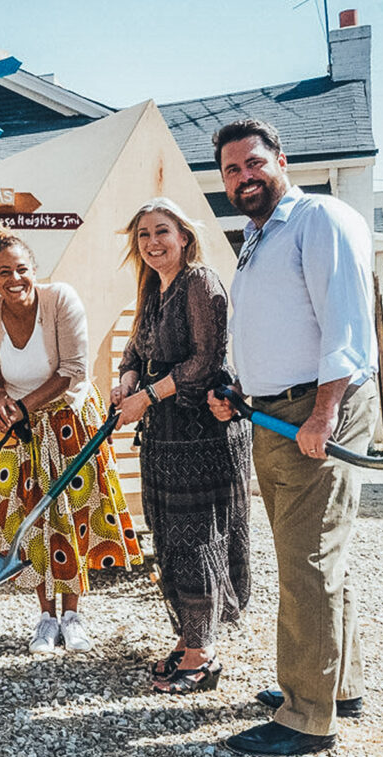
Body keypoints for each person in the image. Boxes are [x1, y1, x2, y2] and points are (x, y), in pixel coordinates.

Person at [208, 119, 377, 756]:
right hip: (273, 414)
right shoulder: (257, 237)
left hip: (312, 411)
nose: (243, 177)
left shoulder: (316, 219)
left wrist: (325, 411)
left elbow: (346, 326)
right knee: (315, 557)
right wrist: (241, 394)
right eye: (231, 170)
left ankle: (307, 716)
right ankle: (341, 685)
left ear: (280, 159)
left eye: (253, 163)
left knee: (307, 565)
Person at [0, 223, 141, 654]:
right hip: (22, 434)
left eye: (21, 269)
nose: (14, 279)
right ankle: (45, 618)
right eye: (3, 272)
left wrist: (22, 406)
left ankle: (73, 616)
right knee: (31, 522)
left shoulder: (60, 300)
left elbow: (73, 370)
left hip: (69, 422)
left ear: (35, 270)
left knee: (71, 517)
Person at [113, 198, 252, 695]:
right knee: (169, 537)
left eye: (162, 232)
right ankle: (187, 638)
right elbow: (135, 349)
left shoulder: (200, 282)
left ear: (185, 237)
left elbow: (205, 362)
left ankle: (203, 655)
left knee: (196, 538)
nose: (153, 243)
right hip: (163, 436)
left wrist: (147, 396)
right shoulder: (153, 288)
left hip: (201, 435)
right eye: (144, 234)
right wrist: (126, 379)